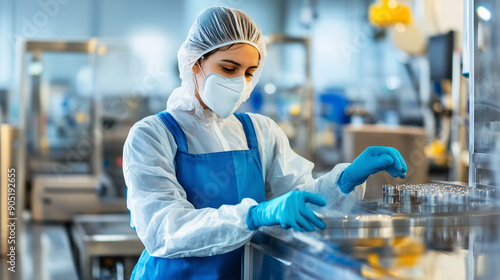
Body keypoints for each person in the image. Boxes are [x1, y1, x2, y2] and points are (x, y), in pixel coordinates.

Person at [123, 6, 407, 280]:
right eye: (229, 68)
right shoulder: (152, 135)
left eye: (249, 72)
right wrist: (253, 215)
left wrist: (344, 180)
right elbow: (164, 229)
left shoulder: (259, 131)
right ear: (194, 61)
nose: (239, 82)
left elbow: (301, 202)